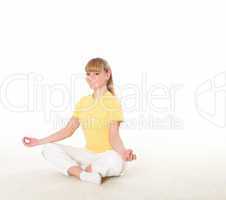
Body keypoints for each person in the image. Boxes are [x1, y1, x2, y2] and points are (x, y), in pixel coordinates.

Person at [22, 58, 136, 185]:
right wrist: (39, 141)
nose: (91, 77)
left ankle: (86, 171)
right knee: (48, 148)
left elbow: (113, 136)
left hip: (106, 155)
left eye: (96, 73)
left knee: (115, 160)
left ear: (107, 74)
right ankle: (84, 174)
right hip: (87, 155)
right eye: (88, 74)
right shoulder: (83, 102)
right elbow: (68, 130)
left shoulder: (113, 102)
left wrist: (123, 152)